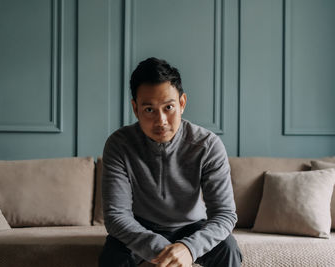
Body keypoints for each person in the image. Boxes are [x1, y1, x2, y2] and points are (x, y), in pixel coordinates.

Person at [99, 57, 242, 267]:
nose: (161, 121)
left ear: (182, 103)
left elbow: (224, 214)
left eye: (169, 107)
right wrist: (163, 250)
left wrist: (188, 248)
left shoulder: (208, 145)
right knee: (113, 256)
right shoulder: (119, 145)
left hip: (192, 226)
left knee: (228, 249)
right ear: (135, 108)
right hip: (141, 227)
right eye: (149, 109)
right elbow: (116, 216)